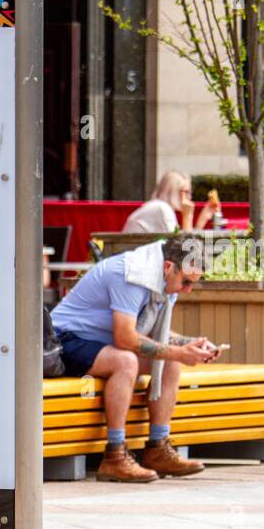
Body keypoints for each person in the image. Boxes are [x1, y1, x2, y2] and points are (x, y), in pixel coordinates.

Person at [50, 234, 220, 483]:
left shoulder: (164, 278)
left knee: (171, 361)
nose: (187, 289)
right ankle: (115, 456)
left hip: (97, 343)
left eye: (192, 283)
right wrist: (179, 351)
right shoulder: (130, 274)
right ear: (168, 267)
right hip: (64, 340)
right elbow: (126, 338)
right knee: (126, 361)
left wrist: (191, 345)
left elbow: (155, 335)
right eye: (185, 282)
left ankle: (158, 448)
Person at [123, 171, 220, 233]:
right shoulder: (162, 209)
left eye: (190, 192)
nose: (189, 197)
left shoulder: (160, 207)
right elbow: (183, 251)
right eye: (186, 192)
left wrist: (201, 221)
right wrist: (187, 216)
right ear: (173, 191)